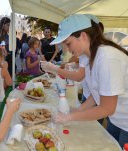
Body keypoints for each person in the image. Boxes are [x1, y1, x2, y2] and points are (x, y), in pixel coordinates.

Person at [48, 14, 128, 147]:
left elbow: (106, 108)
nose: (67, 49)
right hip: (117, 119)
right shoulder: (87, 56)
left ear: (83, 36)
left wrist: (70, 117)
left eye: (68, 43)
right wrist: (78, 110)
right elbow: (96, 94)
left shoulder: (107, 58)